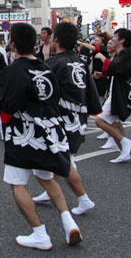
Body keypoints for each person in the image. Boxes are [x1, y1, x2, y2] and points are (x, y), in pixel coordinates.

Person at [0, 22, 81, 250]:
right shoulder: (45, 67)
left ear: (12, 44)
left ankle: (40, 233)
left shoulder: (14, 70)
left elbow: (8, 108)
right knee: (47, 178)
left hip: (23, 135)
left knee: (17, 183)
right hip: (48, 132)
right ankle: (69, 222)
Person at [30, 22, 100, 215]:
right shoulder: (81, 63)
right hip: (77, 118)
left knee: (65, 161)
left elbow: (40, 94)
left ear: (57, 40)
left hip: (59, 121)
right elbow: (92, 99)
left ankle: (84, 200)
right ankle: (50, 191)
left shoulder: (54, 64)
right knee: (56, 157)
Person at [93, 28, 131, 163]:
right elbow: (117, 70)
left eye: (115, 37)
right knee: (115, 123)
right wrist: (102, 73)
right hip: (116, 92)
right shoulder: (122, 55)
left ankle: (125, 142)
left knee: (99, 120)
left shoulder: (125, 55)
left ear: (122, 40)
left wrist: (102, 57)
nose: (112, 40)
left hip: (118, 94)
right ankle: (124, 151)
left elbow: (115, 67)